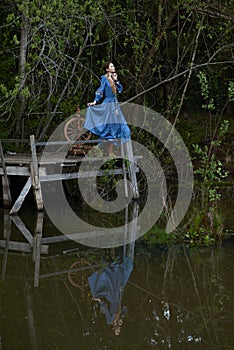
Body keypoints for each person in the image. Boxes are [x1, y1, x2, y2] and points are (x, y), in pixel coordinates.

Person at [85, 61, 131, 155]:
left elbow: (120, 90)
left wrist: (116, 80)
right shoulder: (105, 79)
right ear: (107, 69)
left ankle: (113, 152)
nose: (113, 67)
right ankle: (109, 152)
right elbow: (100, 90)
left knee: (124, 129)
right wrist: (95, 101)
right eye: (111, 66)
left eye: (113, 65)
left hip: (115, 106)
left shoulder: (114, 78)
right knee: (110, 129)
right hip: (108, 105)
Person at [88, 256, 133, 335]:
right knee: (122, 277)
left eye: (117, 331)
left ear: (113, 329)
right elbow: (125, 307)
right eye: (119, 331)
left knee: (110, 281)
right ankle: (116, 264)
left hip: (112, 298)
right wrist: (121, 317)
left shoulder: (110, 321)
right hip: (119, 297)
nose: (118, 330)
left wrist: (99, 300)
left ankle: (106, 269)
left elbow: (105, 309)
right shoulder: (120, 320)